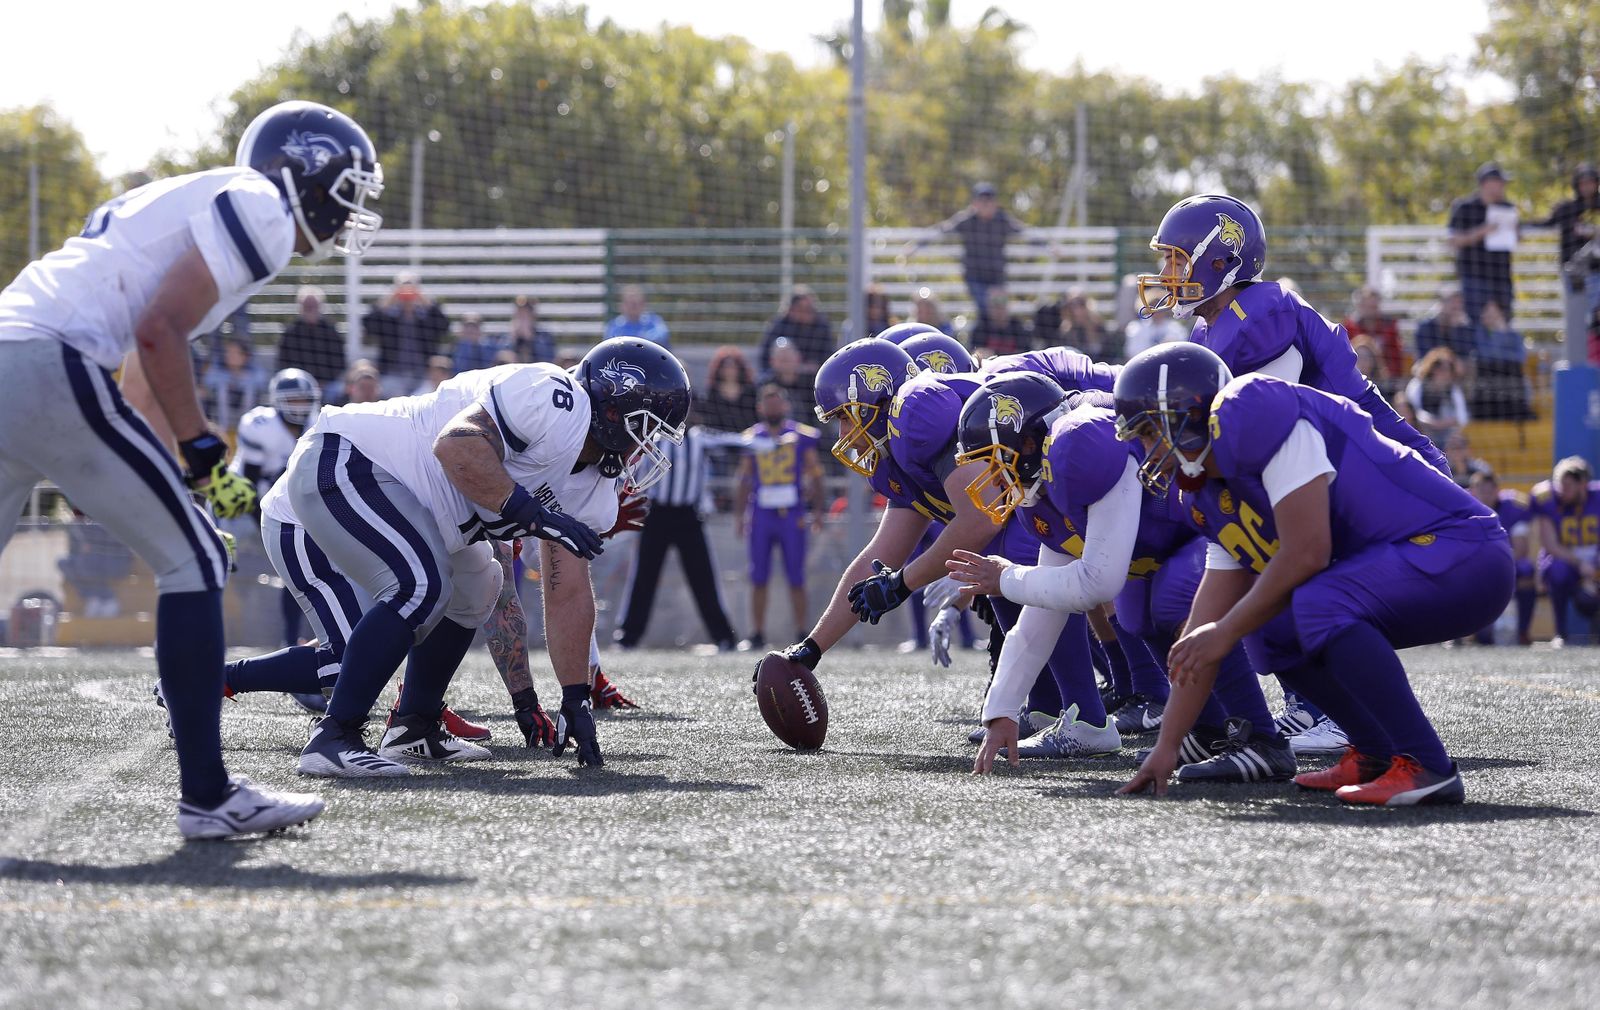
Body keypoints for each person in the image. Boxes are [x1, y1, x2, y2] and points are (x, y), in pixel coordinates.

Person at [0, 99, 384, 838]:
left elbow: (143, 371)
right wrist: (201, 446)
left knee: (187, 546)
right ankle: (209, 797)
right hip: (50, 360)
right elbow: (158, 332)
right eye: (347, 190)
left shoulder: (207, 198)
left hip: (15, 355)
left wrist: (166, 469)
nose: (350, 211)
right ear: (304, 170)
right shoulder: (263, 208)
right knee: (199, 559)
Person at [235, 337, 690, 778]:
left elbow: (566, 588)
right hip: (352, 458)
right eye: (646, 426)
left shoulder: (596, 490)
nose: (648, 444)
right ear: (612, 408)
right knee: (421, 586)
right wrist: (534, 515)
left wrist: (576, 695)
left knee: (479, 584)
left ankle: (414, 722)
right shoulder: (554, 397)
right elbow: (457, 446)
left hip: (424, 513)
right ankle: (334, 736)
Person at [1114, 342, 1513, 805]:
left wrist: (1224, 632)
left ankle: (1427, 765)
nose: (1142, 451)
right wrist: (1165, 749)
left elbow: (1308, 553)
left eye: (1146, 434)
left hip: (1463, 551)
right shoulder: (1209, 492)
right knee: (1270, 627)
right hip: (1413, 563)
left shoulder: (1255, 414)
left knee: (1314, 600)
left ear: (1181, 416)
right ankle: (1375, 753)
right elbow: (1200, 636)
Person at [781, 339, 1115, 756]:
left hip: (1082, 459)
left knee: (1025, 569)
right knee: (996, 572)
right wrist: (811, 649)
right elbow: (879, 555)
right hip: (1027, 504)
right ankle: (1047, 710)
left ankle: (1091, 718)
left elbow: (982, 517)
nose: (844, 434)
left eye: (846, 418)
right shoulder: (892, 456)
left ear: (876, 395)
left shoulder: (917, 411)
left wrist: (903, 583)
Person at [952, 373, 1291, 781]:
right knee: (1136, 615)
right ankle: (1210, 730)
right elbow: (1041, 613)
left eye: (997, 457)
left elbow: (1097, 583)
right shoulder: (1040, 496)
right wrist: (1002, 711)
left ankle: (1263, 741)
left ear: (1030, 439)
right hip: (1167, 544)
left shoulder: (1079, 443)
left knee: (1172, 597)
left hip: (1214, 524)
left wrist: (1005, 578)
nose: (992, 474)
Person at [1136, 192, 1449, 476]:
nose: (1165, 275)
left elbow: (1270, 424)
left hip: (1399, 474)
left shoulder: (1262, 314)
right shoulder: (1206, 329)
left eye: (1176, 261)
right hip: (1340, 468)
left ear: (1219, 262)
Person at [614, 421, 738, 651]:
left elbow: (735, 443)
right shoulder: (652, 438)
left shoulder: (700, 438)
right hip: (656, 515)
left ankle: (724, 637)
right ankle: (627, 638)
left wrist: (769, 442)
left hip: (688, 517)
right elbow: (629, 473)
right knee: (643, 578)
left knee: (703, 579)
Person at [734, 386, 825, 649]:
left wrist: (818, 510)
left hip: (792, 514)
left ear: (785, 407)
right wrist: (739, 515)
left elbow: (816, 474)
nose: (773, 409)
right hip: (762, 513)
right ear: (760, 408)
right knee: (758, 575)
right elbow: (743, 478)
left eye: (777, 404)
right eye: (768, 404)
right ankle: (757, 633)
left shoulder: (800, 435)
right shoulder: (752, 437)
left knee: (796, 575)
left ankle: (801, 631)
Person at [903, 182, 1029, 319]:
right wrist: (915, 245)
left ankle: (994, 339)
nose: (986, 204)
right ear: (974, 203)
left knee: (1000, 313)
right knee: (986, 308)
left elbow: (1025, 232)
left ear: (995, 203)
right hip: (975, 278)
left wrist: (1050, 246)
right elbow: (942, 230)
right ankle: (981, 338)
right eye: (982, 201)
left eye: (989, 201)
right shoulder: (967, 220)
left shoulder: (1002, 220)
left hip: (997, 279)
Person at [1531, 456, 1600, 646]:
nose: (1563, 491)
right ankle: (1560, 632)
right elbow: (1550, 544)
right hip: (1569, 562)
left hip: (1596, 561)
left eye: (1568, 485)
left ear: (1584, 484)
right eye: (1561, 484)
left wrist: (1594, 568)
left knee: (1588, 600)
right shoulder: (1548, 499)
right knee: (1557, 569)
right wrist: (1581, 565)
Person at [1469, 468, 1536, 646]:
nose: (1486, 494)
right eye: (1482, 490)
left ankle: (1522, 631)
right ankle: (1465, 632)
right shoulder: (1464, 510)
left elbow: (1521, 549)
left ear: (1498, 491)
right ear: (1473, 491)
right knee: (1484, 639)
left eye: (1490, 490)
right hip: (1474, 567)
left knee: (1526, 570)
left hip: (1507, 563)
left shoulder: (1512, 508)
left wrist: (1498, 565)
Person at [1535, 163, 1600, 343]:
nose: (1587, 186)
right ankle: (1579, 357)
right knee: (1576, 316)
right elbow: (1545, 223)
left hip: (1597, 274)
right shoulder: (1567, 209)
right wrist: (1517, 224)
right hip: (1573, 273)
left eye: (1591, 182)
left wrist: (1594, 231)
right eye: (1583, 182)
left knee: (1594, 316)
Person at [1448, 162, 1518, 322]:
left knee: (1504, 323)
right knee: (1476, 324)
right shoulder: (1464, 207)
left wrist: (1515, 232)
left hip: (1502, 278)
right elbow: (1453, 240)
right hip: (1474, 277)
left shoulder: (1507, 207)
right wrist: (1482, 231)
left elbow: (1515, 239)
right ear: (1486, 183)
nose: (1502, 187)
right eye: (1499, 182)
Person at [364, 271, 449, 387]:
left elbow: (444, 325)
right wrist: (390, 299)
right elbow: (368, 324)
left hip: (424, 374)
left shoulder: (426, 316)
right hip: (393, 373)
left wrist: (423, 299)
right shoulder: (388, 317)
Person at [277, 285, 345, 388]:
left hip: (327, 384)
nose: (311, 310)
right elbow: (283, 362)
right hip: (298, 384)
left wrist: (323, 383)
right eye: (307, 306)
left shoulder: (331, 332)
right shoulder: (291, 333)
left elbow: (339, 362)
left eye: (314, 306)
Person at [1473, 300, 1531, 420]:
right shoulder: (1479, 334)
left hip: (1511, 380)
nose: (1490, 317)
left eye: (1494, 314)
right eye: (1488, 313)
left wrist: (1502, 333)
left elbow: (1520, 358)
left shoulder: (1514, 335)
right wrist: (1499, 334)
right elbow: (1487, 356)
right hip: (1488, 381)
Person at [1405, 347, 1471, 447]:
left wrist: (1443, 423)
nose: (1445, 374)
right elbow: (1409, 413)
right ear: (1432, 368)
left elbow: (1462, 418)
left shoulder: (1453, 390)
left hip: (1447, 439)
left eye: (1449, 369)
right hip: (1420, 434)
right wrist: (1432, 422)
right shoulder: (1417, 385)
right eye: (1441, 369)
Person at [761, 286, 834, 372]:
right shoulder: (780, 326)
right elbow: (765, 357)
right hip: (782, 377)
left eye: (810, 308)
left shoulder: (821, 326)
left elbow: (829, 356)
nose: (807, 313)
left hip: (812, 377)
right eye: (802, 309)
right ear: (791, 309)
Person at [202, 335, 267, 430]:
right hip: (222, 406)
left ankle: (247, 428)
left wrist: (241, 380)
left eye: (235, 353)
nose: (230, 356)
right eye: (228, 352)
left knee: (250, 389)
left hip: (247, 403)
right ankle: (223, 430)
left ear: (245, 356)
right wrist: (231, 380)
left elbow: (261, 383)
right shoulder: (219, 368)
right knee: (222, 389)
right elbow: (208, 381)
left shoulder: (254, 369)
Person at [1343, 286, 1403, 380]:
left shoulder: (1389, 327)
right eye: (1366, 306)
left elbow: (1396, 356)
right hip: (1355, 376)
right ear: (1359, 306)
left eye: (1373, 307)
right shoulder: (1350, 327)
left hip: (1384, 378)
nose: (1370, 311)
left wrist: (1392, 380)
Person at [698, 346, 758, 434]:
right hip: (719, 439)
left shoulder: (750, 392)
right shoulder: (712, 393)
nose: (729, 370)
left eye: (733, 366)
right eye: (726, 367)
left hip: (747, 440)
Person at [759, 337, 817, 422]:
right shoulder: (765, 385)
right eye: (781, 359)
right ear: (772, 361)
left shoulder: (811, 383)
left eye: (788, 358)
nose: (785, 362)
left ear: (798, 358)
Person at [968, 287, 1030, 356]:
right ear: (988, 306)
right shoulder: (981, 327)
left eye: (1002, 304)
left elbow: (1025, 354)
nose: (999, 309)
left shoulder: (1017, 327)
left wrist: (995, 354)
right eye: (995, 305)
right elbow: (974, 353)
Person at [604, 284, 671, 347]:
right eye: (629, 303)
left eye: (636, 303)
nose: (633, 307)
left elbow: (662, 337)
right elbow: (609, 342)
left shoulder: (654, 322)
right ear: (622, 305)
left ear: (643, 304)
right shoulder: (615, 325)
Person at [1122, 306, 1187, 358]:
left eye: (1160, 307)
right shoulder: (1136, 327)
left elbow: (1182, 350)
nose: (1157, 311)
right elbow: (1132, 353)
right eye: (1153, 307)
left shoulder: (1176, 328)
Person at [508, 295, 556, 364]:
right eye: (519, 315)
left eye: (525, 315)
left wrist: (531, 339)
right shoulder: (506, 339)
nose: (521, 320)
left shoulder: (544, 337)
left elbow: (549, 361)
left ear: (533, 317)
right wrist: (513, 341)